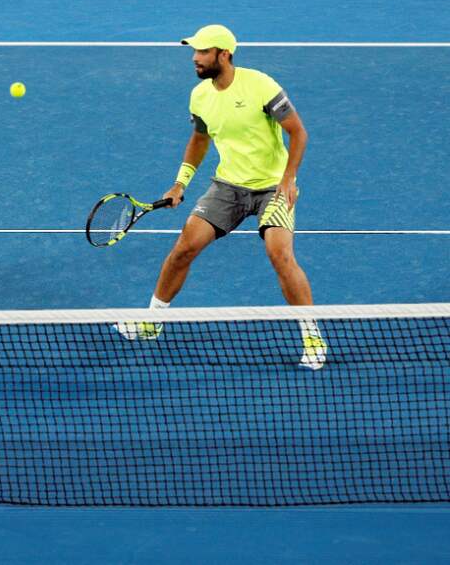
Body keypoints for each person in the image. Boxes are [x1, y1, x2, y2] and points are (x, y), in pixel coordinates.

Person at [114, 24, 327, 369]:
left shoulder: (261, 85)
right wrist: (180, 183)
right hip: (228, 186)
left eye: (202, 51)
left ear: (224, 54)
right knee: (185, 246)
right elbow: (200, 139)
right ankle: (151, 321)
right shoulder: (200, 95)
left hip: (272, 186)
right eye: (194, 52)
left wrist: (289, 179)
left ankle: (312, 334)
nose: (195, 58)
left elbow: (298, 133)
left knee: (279, 253)